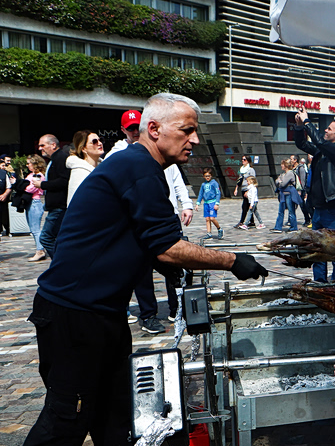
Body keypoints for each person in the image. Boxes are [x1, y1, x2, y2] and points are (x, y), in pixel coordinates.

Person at [0, 93, 268, 446]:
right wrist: (230, 259)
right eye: (187, 130)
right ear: (155, 129)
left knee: (113, 412)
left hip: (101, 314)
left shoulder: (142, 168)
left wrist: (170, 267)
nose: (195, 140)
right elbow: (165, 244)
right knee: (69, 416)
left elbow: (139, 241)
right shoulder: (138, 168)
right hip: (74, 315)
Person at [106, 110, 194, 333]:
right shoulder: (119, 155)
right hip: (137, 219)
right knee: (142, 269)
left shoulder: (164, 152)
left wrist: (187, 204)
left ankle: (178, 310)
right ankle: (148, 314)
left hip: (166, 213)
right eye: (131, 128)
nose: (136, 132)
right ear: (124, 130)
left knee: (175, 265)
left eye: (138, 127)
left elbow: (177, 181)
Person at [294, 106, 335, 282]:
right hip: (318, 208)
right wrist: (299, 127)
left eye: (329, 129)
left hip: (334, 208)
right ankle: (319, 283)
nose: (325, 130)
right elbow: (302, 144)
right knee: (317, 249)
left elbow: (321, 142)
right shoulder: (322, 150)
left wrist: (307, 122)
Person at [36, 134, 70, 258]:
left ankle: (60, 264)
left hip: (59, 206)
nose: (40, 148)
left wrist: (42, 184)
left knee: (45, 237)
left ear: (53, 145)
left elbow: (63, 181)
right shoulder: (54, 159)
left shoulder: (60, 158)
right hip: (55, 206)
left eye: (43, 145)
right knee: (58, 238)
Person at [66, 130, 104, 205]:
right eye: (94, 141)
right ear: (83, 148)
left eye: (100, 140)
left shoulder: (104, 167)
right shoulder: (79, 171)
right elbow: (76, 202)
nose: (100, 143)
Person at [24, 155, 47, 262]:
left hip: (35, 202)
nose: (27, 165)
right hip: (31, 202)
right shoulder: (32, 175)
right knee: (33, 229)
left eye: (29, 163)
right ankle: (40, 248)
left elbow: (30, 188)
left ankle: (40, 250)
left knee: (35, 229)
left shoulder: (38, 175)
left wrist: (22, 186)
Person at [271, 159, 299, 233]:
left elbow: (282, 184)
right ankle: (278, 227)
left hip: (289, 194)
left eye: (282, 164)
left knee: (291, 211)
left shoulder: (290, 173)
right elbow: (277, 181)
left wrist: (280, 181)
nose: (281, 166)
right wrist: (279, 181)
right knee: (280, 211)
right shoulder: (283, 174)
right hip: (283, 194)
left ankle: (294, 227)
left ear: (286, 165)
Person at [197, 168, 223, 239]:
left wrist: (217, 203)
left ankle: (219, 229)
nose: (207, 177)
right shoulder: (203, 184)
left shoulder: (214, 183)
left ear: (211, 176)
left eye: (209, 175)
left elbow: (218, 193)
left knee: (212, 218)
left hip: (212, 202)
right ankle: (209, 233)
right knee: (207, 219)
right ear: (203, 176)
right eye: (206, 176)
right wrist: (198, 203)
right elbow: (201, 194)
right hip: (206, 203)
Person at [233, 155, 256, 229]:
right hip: (243, 189)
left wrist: (248, 191)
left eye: (244, 159)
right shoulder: (242, 169)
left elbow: (253, 180)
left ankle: (242, 221)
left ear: (248, 161)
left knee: (244, 206)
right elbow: (239, 180)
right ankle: (252, 222)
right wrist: (236, 188)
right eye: (242, 159)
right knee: (249, 206)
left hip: (248, 189)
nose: (242, 161)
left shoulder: (250, 170)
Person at [0, 156, 13, 237]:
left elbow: (9, 186)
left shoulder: (4, 174)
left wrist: (4, 195)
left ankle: (7, 229)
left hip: (2, 198)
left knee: (4, 215)